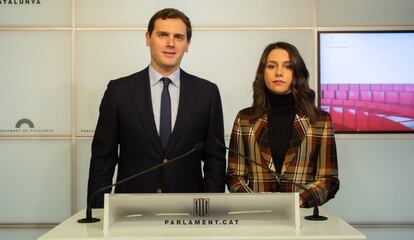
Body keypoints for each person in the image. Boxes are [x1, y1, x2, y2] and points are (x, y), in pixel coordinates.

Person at [87, 8, 226, 208]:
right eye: (163, 35)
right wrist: (98, 213)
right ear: (147, 38)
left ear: (187, 45)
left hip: (189, 212)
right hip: (131, 211)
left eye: (179, 37)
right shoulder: (119, 91)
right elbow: (103, 159)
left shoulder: (207, 93)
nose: (171, 43)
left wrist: (211, 210)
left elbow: (215, 160)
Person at [226, 42, 339, 207]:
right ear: (262, 73)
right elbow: (234, 176)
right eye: (271, 66)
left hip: (302, 218)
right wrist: (254, 203)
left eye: (288, 67)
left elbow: (329, 179)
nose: (279, 73)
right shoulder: (245, 119)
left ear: (297, 73)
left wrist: (297, 201)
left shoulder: (320, 120)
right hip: (256, 217)